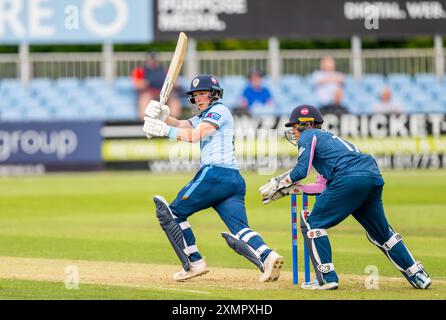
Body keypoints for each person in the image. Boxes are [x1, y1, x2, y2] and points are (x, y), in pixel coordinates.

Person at [258, 104, 431, 290]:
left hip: (348, 179)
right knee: (381, 234)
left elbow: (301, 170)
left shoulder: (309, 135)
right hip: (371, 177)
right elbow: (322, 187)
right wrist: (293, 189)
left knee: (312, 223)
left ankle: (327, 278)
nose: (293, 131)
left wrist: (278, 181)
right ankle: (417, 274)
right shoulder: (330, 143)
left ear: (306, 124)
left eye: (294, 126)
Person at [142, 74, 283, 282]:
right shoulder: (204, 115)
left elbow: (196, 135)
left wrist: (164, 130)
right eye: (196, 95)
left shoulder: (219, 110)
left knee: (173, 214)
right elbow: (185, 125)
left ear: (214, 94)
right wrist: (163, 116)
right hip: (233, 180)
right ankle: (269, 256)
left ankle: (194, 263)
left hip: (216, 174)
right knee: (240, 229)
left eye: (203, 94)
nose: (199, 98)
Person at [132, 52, 182, 120]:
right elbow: (137, 85)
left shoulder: (164, 71)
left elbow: (176, 83)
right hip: (149, 93)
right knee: (145, 98)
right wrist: (148, 82)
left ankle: (174, 120)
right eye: (151, 60)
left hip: (164, 93)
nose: (153, 62)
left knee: (174, 98)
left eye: (154, 60)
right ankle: (144, 120)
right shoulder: (141, 71)